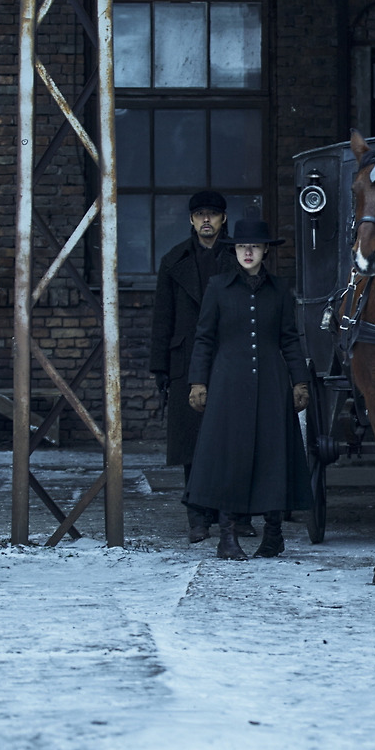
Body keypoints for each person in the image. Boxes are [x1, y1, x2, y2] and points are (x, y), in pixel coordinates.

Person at [184, 219, 312, 561]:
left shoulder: (279, 289)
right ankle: (227, 536)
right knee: (229, 457)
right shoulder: (218, 287)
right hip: (228, 385)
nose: (248, 252)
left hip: (272, 384)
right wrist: (198, 382)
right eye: (242, 247)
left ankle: (273, 535)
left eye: (254, 246)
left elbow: (289, 339)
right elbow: (204, 338)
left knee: (273, 455)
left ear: (265, 250)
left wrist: (300, 381)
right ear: (235, 250)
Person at [149, 190, 247, 544]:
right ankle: (198, 516)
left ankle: (236, 514)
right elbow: (163, 318)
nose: (207, 220)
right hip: (186, 359)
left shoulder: (239, 257)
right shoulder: (174, 261)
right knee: (192, 442)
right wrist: (160, 368)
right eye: (200, 214)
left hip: (230, 357)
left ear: (223, 219)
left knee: (234, 438)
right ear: (191, 220)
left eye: (213, 214)